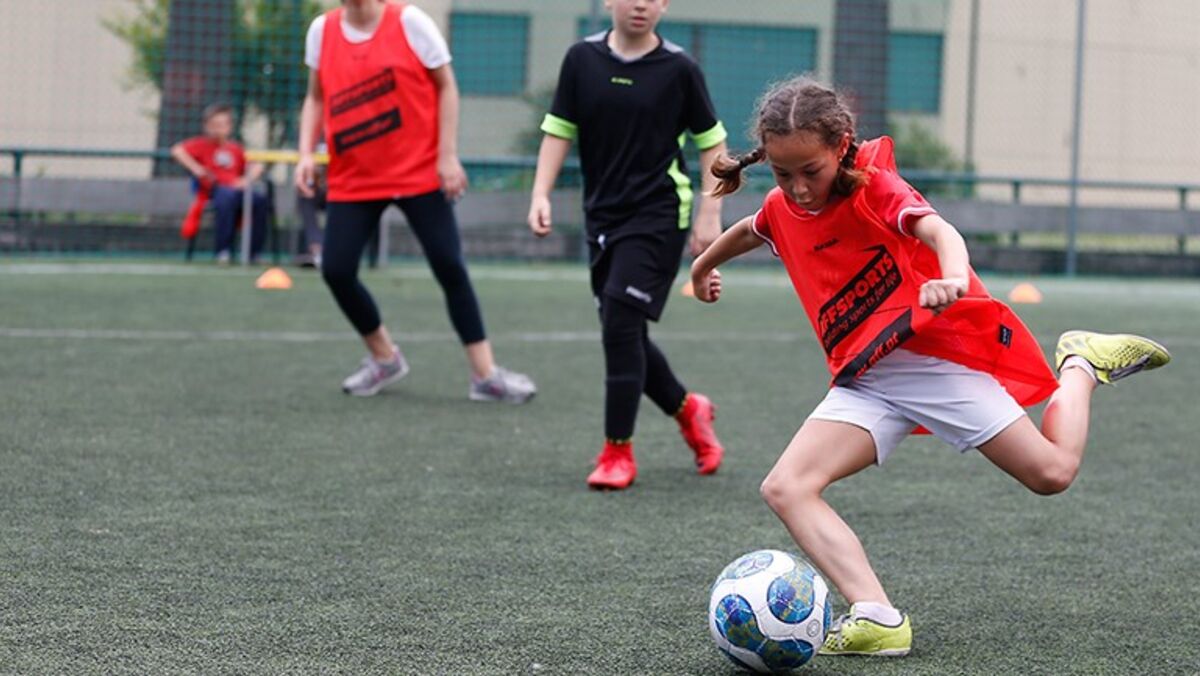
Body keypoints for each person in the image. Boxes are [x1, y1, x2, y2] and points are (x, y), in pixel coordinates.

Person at [689, 76, 1170, 657]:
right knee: (786, 487)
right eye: (782, 174)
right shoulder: (782, 206)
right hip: (866, 379)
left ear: (841, 146)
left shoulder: (875, 188)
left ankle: (1081, 365)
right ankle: (877, 617)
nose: (798, 189)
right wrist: (701, 268)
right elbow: (751, 229)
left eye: (809, 171)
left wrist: (952, 276)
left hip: (931, 363)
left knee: (1053, 472)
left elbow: (940, 229)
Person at [528, 0, 729, 490]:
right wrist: (540, 193)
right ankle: (689, 410)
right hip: (602, 216)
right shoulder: (581, 59)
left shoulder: (680, 68)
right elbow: (559, 130)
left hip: (659, 214)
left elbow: (712, 143)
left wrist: (710, 214)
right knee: (625, 330)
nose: (640, 4)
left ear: (664, 5)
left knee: (620, 323)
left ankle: (617, 451)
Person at [295, 0, 535, 402]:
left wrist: (447, 155)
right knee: (336, 270)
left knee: (448, 266)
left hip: (418, 172)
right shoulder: (322, 31)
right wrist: (305, 152)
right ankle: (384, 358)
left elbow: (447, 86)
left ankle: (485, 375)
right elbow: (316, 97)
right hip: (355, 176)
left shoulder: (410, 22)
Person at [171, 103, 269, 264]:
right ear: (206, 126)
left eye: (222, 125)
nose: (217, 129)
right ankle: (223, 250)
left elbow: (257, 166)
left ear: (229, 127)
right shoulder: (200, 145)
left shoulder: (235, 148)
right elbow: (177, 151)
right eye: (214, 125)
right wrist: (196, 169)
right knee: (226, 198)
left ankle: (254, 253)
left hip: (237, 191)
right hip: (214, 190)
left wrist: (246, 180)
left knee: (260, 201)